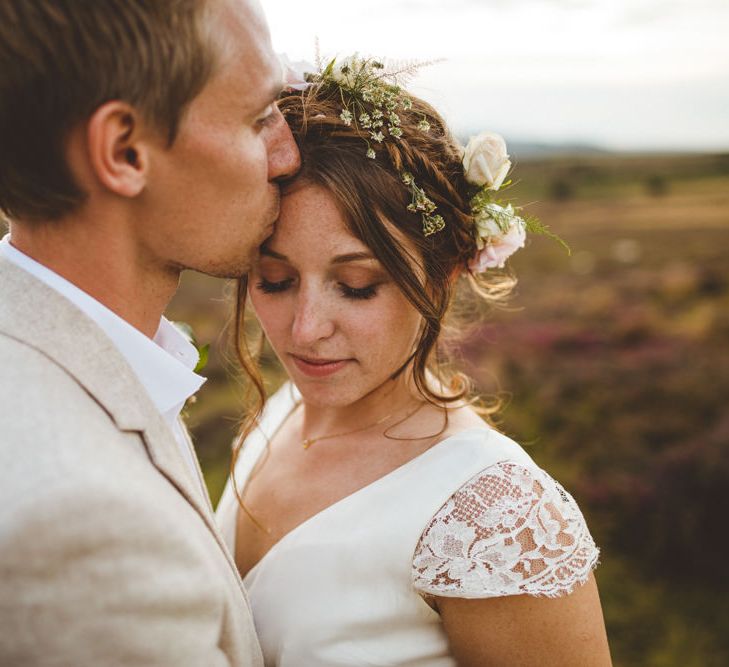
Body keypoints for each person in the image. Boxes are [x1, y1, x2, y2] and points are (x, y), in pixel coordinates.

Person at [216, 56, 612, 666]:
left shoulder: (498, 519)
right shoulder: (282, 408)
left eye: (356, 285)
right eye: (274, 279)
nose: (305, 329)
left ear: (445, 274)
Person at [0, 1, 299, 664]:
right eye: (258, 119)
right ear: (123, 151)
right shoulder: (76, 530)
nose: (286, 154)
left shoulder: (85, 361)